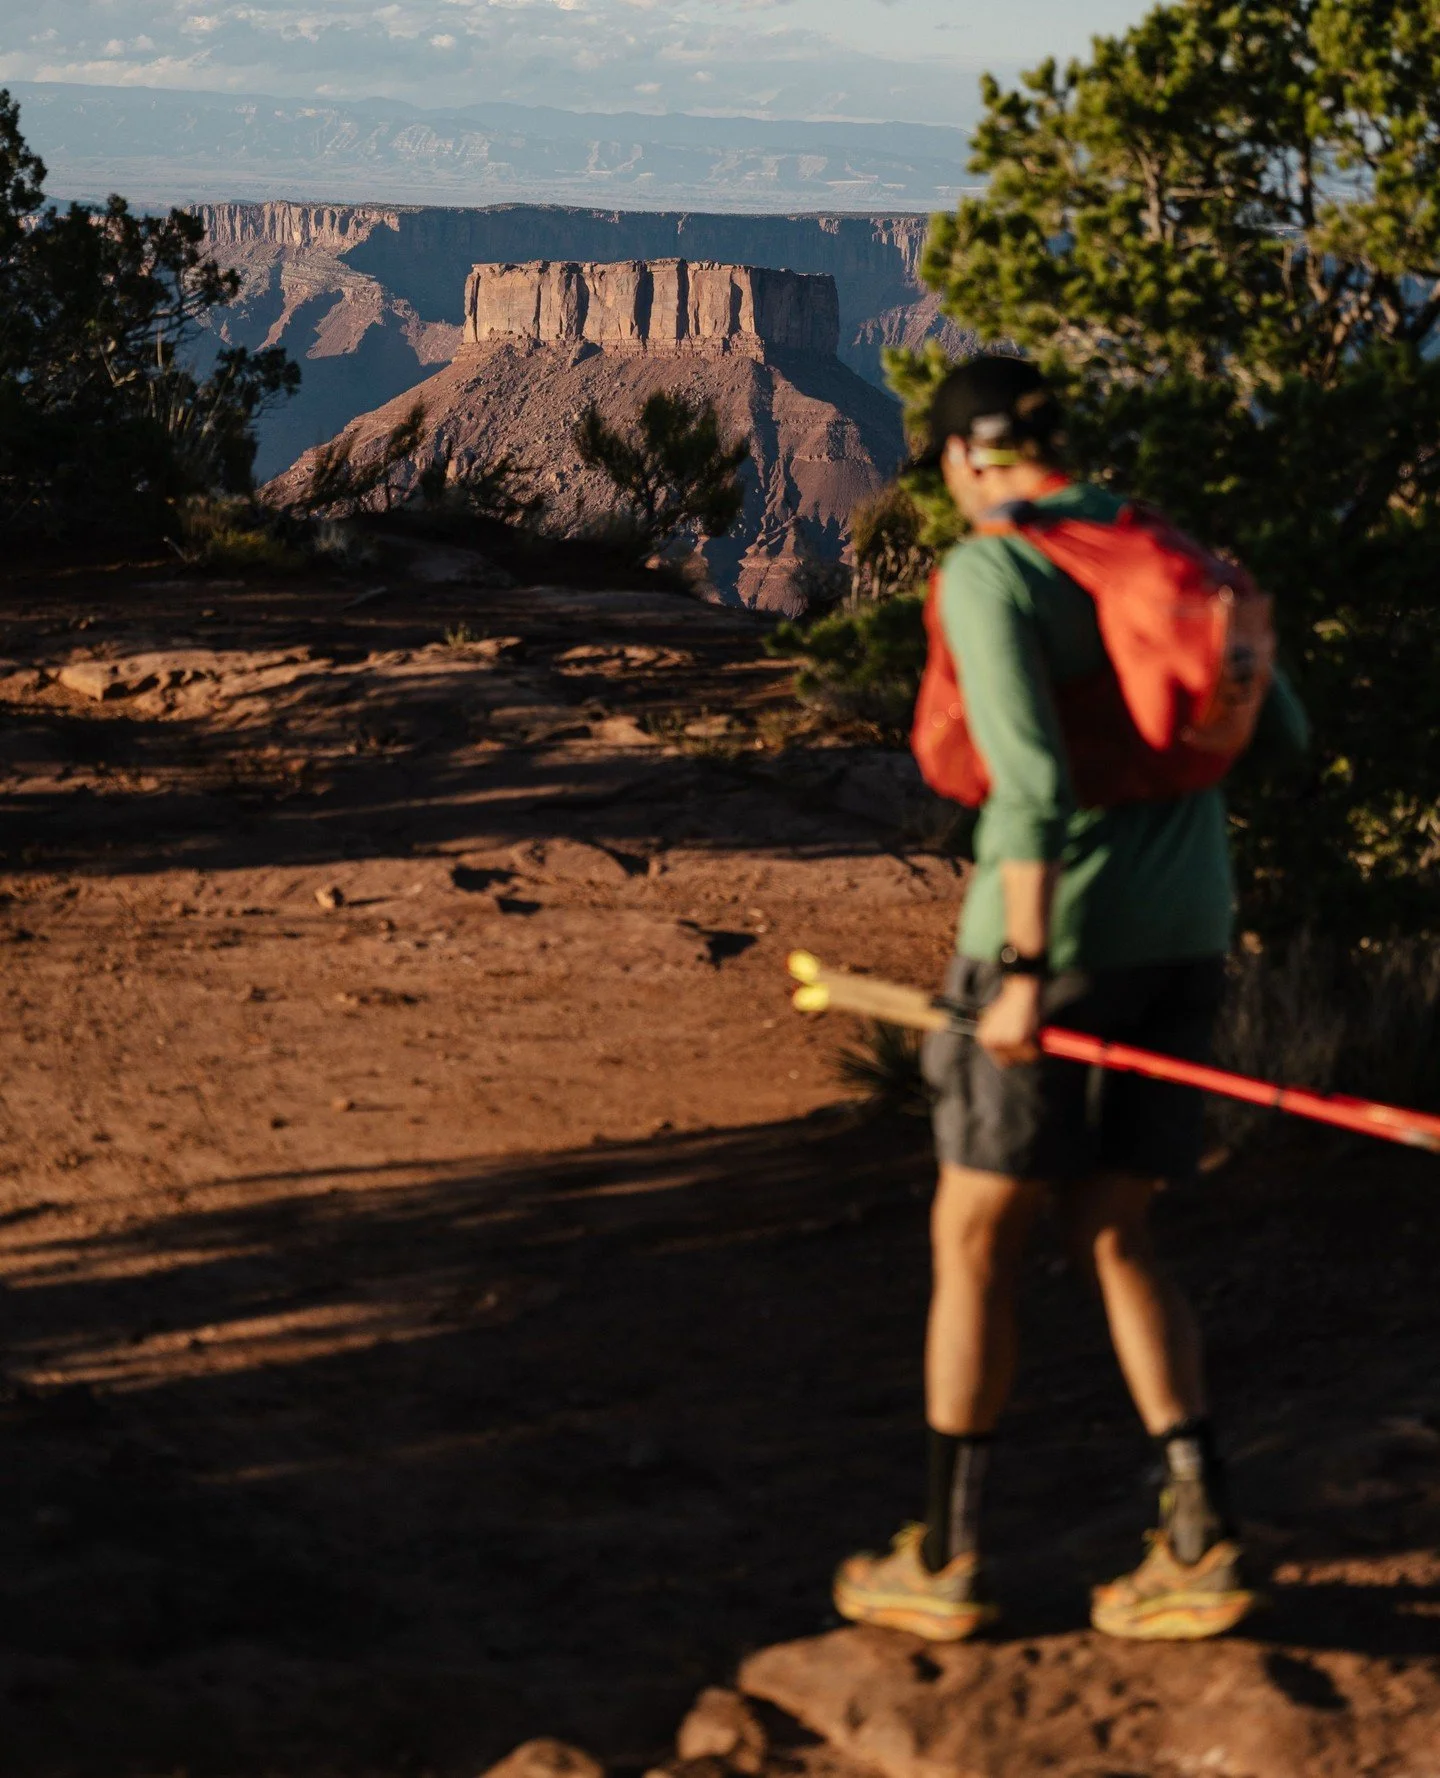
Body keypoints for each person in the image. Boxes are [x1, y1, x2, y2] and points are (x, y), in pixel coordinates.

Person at [833, 355, 1309, 1642]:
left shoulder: (994, 569)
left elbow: (1029, 782)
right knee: (1118, 1230)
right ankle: (1199, 1538)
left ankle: (942, 1557)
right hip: (1188, 929)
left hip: (1054, 944)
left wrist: (1026, 977)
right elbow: (1281, 734)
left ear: (963, 458)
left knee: (975, 1235)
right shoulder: (1157, 555)